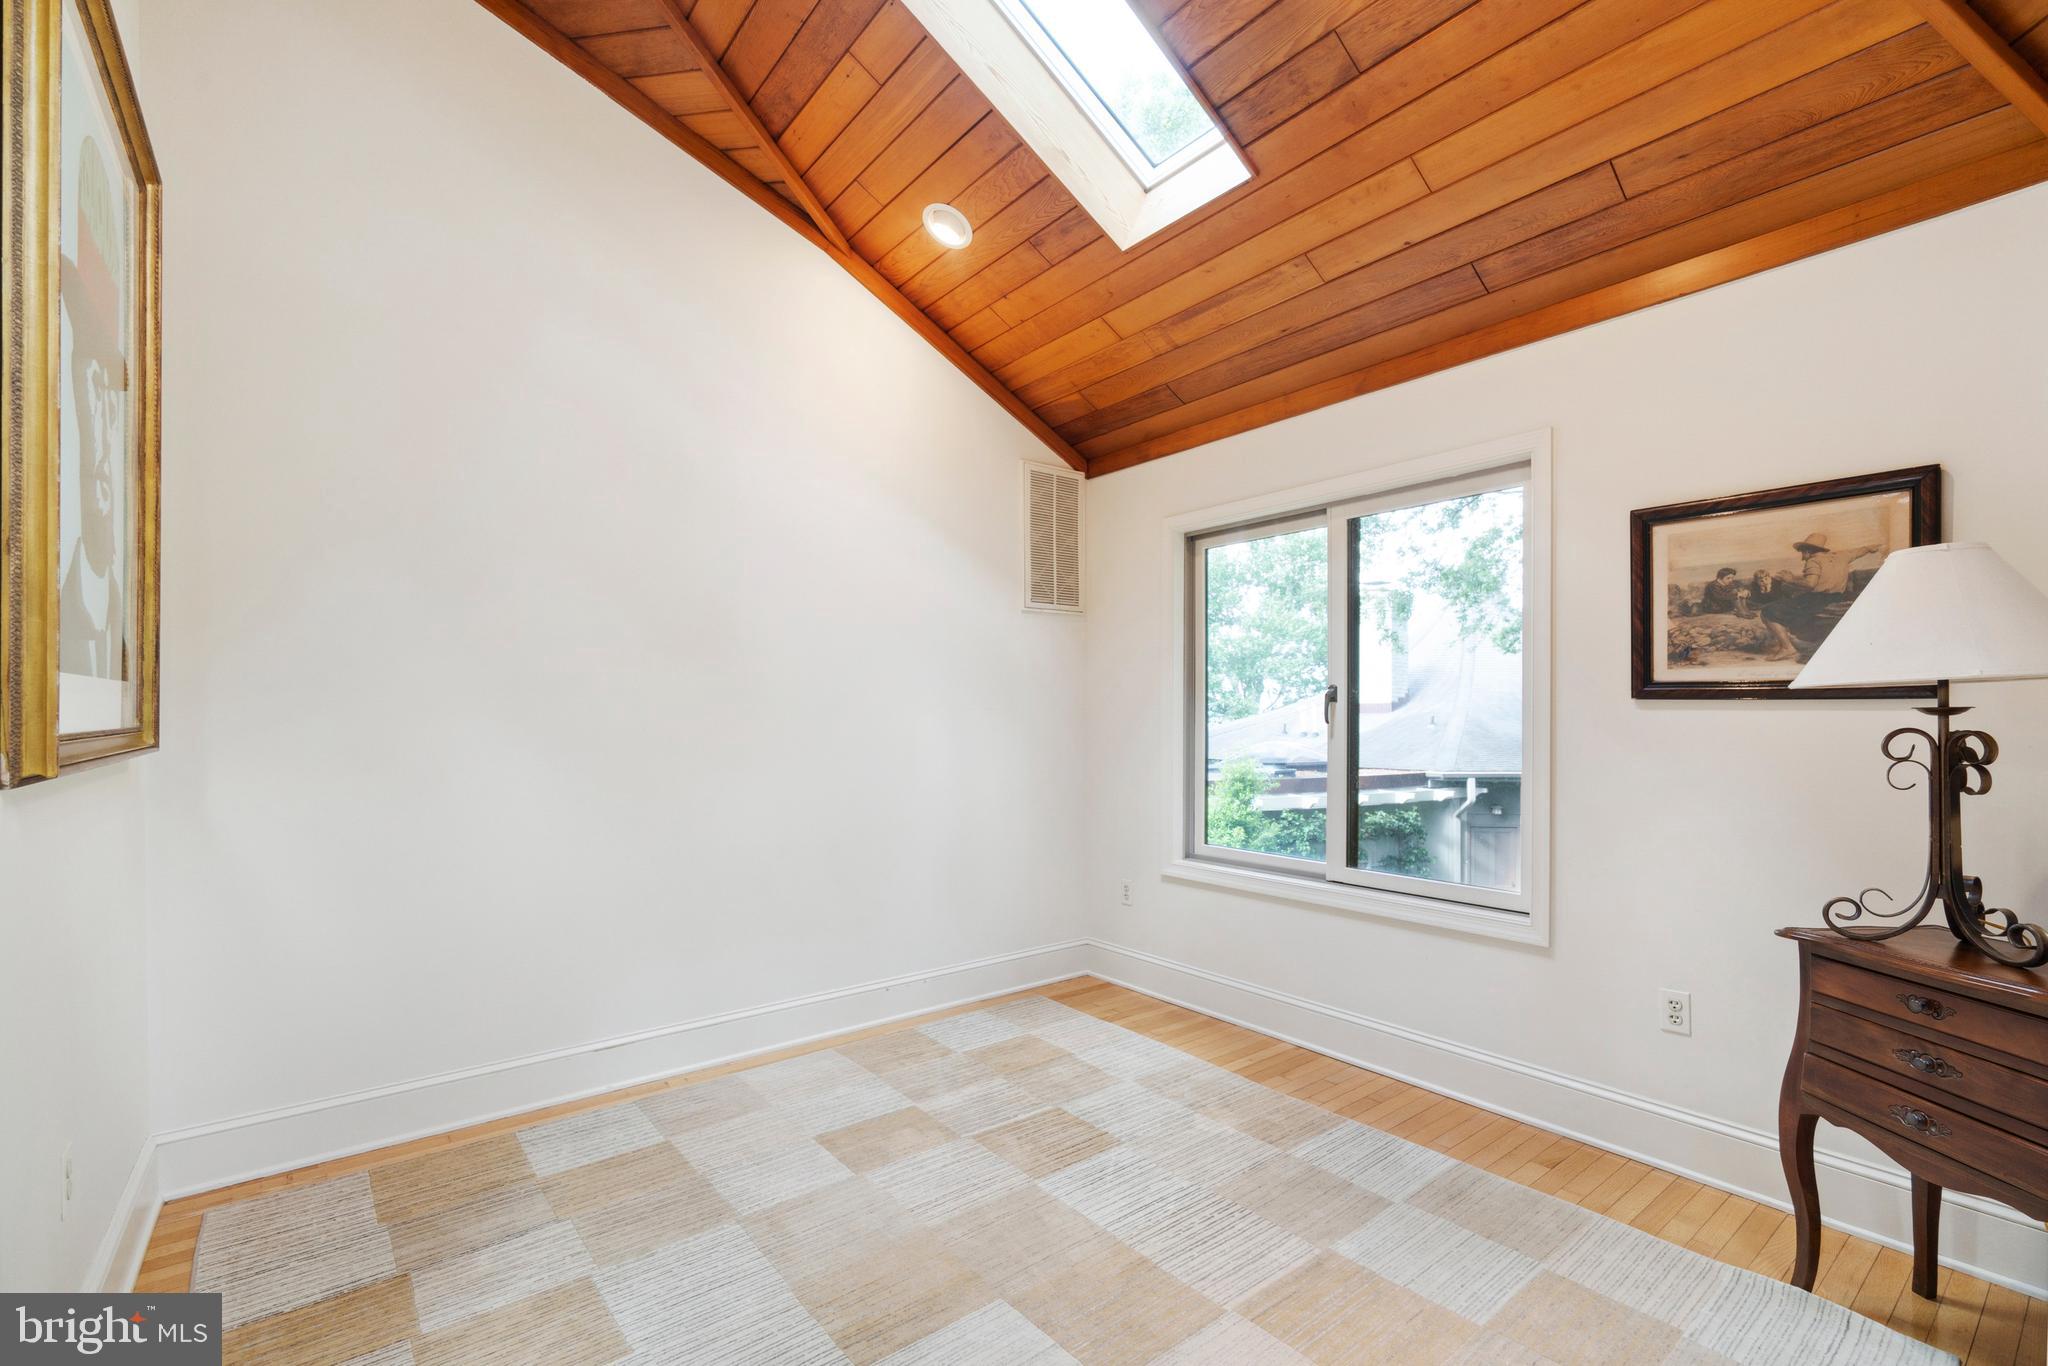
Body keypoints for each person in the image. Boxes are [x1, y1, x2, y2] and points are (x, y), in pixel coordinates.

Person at [58, 136, 128, 684]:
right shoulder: (50, 620)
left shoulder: (122, 618)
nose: (100, 423)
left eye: (110, 396)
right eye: (91, 390)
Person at [1758, 531, 1886, 660]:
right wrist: (1871, 548)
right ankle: (1796, 640)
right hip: (1837, 597)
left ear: (1808, 550)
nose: (1803, 557)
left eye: (1803, 552)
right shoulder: (1841, 556)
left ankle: (1787, 648)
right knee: (1790, 604)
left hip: (1818, 599)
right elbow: (1861, 550)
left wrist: (1789, 579)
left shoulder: (1813, 561)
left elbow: (1810, 584)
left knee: (1768, 611)